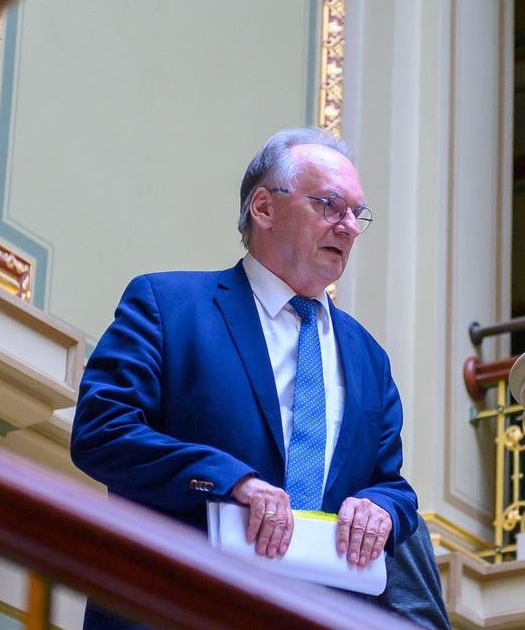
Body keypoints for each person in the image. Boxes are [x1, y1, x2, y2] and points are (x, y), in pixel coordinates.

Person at [71, 127, 421, 629]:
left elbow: (390, 484)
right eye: (330, 205)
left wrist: (380, 508)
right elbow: (102, 432)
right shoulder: (169, 307)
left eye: (355, 213)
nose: (347, 227)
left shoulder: (369, 358)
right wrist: (230, 481)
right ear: (263, 207)